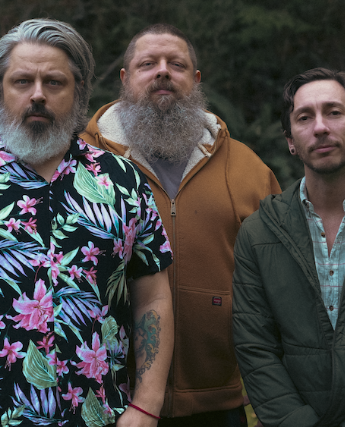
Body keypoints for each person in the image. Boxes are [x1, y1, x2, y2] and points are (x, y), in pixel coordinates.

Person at [0, 18, 174, 427]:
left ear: (78, 91)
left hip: (101, 417)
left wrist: (147, 404)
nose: (37, 94)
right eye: (22, 81)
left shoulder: (123, 182)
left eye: (54, 82)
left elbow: (153, 298)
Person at [80, 24, 281, 426]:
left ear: (196, 79)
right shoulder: (83, 161)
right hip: (107, 399)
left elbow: (279, 282)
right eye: (148, 64)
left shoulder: (247, 168)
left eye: (177, 64)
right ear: (125, 79)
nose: (163, 72)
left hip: (217, 398)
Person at [233, 68, 345, 427]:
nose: (320, 127)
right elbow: (256, 347)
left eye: (334, 112)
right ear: (290, 141)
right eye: (304, 117)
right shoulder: (258, 233)